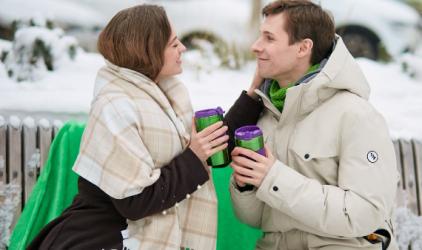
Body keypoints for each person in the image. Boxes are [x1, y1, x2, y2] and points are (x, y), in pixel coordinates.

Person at [26, 4, 242, 250]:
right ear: (148, 52)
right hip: (101, 239)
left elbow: (216, 141)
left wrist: (256, 88)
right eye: (173, 44)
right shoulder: (115, 106)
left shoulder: (165, 97)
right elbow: (136, 201)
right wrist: (194, 156)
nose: (182, 48)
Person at [225, 0, 399, 249]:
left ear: (303, 47)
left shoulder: (357, 116)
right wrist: (246, 186)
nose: (255, 46)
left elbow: (364, 214)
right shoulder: (266, 114)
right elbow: (254, 219)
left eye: (269, 38)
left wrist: (273, 177)